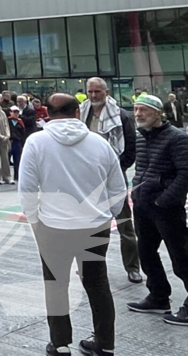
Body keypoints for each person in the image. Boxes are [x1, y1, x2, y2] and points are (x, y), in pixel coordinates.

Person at [19, 93, 125, 356]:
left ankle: (60, 343)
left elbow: (27, 191)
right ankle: (105, 343)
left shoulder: (36, 142)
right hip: (94, 225)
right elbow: (118, 188)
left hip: (53, 226)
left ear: (47, 113)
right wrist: (110, 214)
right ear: (78, 112)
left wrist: (34, 221)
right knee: (97, 283)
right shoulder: (99, 143)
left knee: (55, 283)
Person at [126, 94, 188, 326]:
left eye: (144, 110)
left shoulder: (177, 138)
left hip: (167, 208)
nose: (139, 114)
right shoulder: (141, 137)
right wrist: (136, 194)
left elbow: (185, 174)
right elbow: (140, 169)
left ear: (158, 112)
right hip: (143, 206)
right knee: (146, 253)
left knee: (181, 256)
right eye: (136, 109)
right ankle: (159, 296)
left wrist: (165, 200)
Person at [80, 77, 142, 285]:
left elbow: (131, 148)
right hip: (88, 178)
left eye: (97, 91)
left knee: (125, 225)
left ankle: (133, 268)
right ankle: (91, 267)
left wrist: (116, 169)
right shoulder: (81, 113)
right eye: (90, 92)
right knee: (89, 225)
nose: (94, 96)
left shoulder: (121, 116)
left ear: (106, 92)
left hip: (114, 175)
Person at [9, 105, 27, 180]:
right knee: (7, 159)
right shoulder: (7, 120)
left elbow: (23, 133)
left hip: (18, 142)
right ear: (10, 112)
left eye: (17, 112)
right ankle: (7, 176)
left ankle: (17, 175)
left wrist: (23, 143)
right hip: (9, 141)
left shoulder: (20, 121)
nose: (16, 114)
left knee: (17, 160)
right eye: (14, 112)